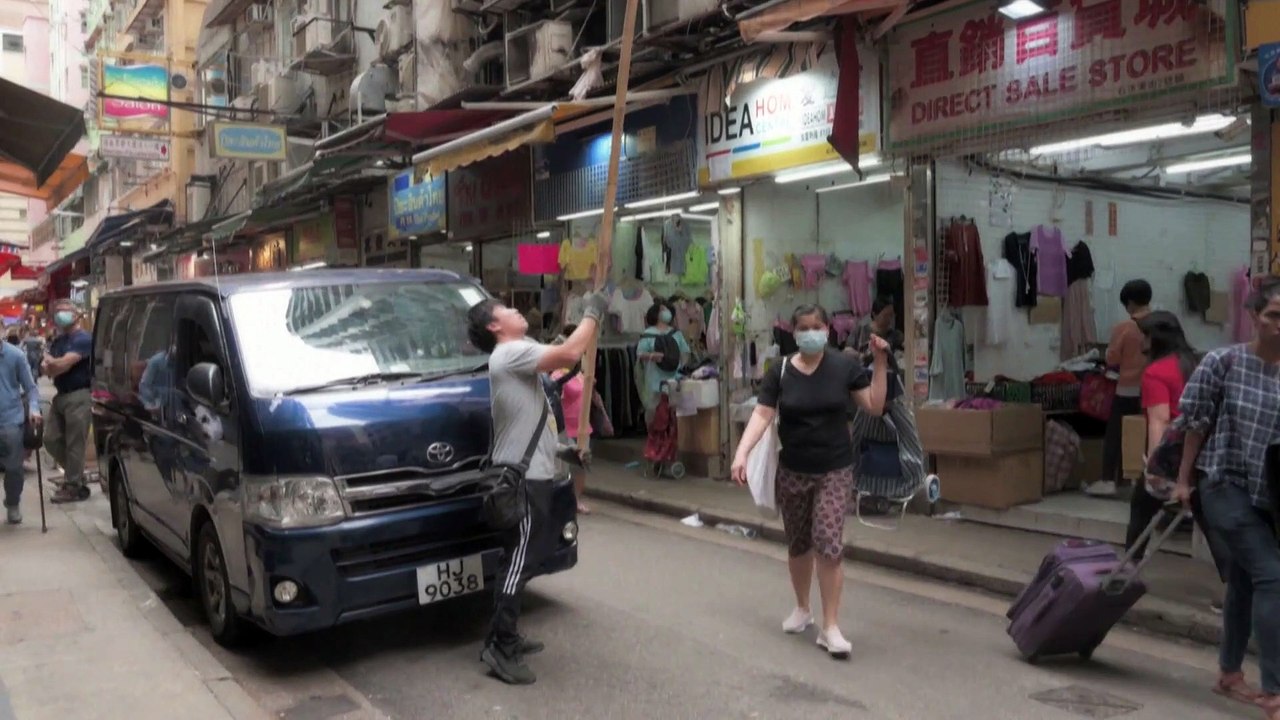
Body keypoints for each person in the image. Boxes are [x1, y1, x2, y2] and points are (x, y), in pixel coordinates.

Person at [730, 304, 889, 659]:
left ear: (828, 329)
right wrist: (741, 453)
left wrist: (880, 363)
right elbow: (762, 414)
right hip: (793, 470)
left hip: (834, 469)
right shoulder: (780, 370)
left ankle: (830, 627)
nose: (810, 333)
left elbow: (875, 405)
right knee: (798, 544)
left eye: (816, 326)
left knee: (828, 542)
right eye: (803, 328)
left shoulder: (844, 366)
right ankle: (803, 608)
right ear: (794, 332)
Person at [465, 290, 608, 686]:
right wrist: (592, 313)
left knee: (520, 558)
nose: (516, 311)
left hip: (530, 476)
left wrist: (563, 451)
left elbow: (530, 424)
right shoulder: (510, 353)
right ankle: (500, 646)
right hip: (523, 482)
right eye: (507, 309)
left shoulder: (517, 358)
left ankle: (504, 635)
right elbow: (570, 353)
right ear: (495, 325)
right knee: (519, 562)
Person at [1174, 278, 1280, 717]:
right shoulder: (1224, 361)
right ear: (1254, 316)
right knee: (1272, 576)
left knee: (1244, 579)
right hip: (1223, 483)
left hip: (1268, 495)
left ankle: (1229, 674)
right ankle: (1275, 691)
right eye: (1274, 315)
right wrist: (1184, 481)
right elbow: (1195, 423)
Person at [1126, 311, 1197, 559]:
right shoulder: (1195, 363)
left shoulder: (1156, 372)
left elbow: (1160, 419)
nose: (1141, 341)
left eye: (1145, 336)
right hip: (1201, 449)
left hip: (1174, 453)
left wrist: (1154, 468)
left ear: (1156, 339)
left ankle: (1130, 563)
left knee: (1141, 507)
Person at [1092, 279, 1152, 497]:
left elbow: (1112, 358)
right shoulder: (1162, 324)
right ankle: (1140, 480)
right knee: (1147, 435)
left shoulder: (1124, 328)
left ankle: (1109, 480)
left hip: (1127, 389)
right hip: (1154, 390)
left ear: (1130, 303)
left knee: (1116, 434)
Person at [42, 300, 93, 504]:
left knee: (75, 443)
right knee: (50, 439)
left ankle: (72, 486)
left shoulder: (84, 339)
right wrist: (54, 365)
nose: (60, 315)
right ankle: (77, 475)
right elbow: (45, 368)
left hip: (79, 395)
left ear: (75, 314)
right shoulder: (59, 341)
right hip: (60, 395)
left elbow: (63, 364)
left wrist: (54, 363)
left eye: (64, 311)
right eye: (57, 312)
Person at [551, 325, 591, 515]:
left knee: (581, 465)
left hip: (583, 426)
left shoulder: (580, 371)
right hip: (565, 426)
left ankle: (576, 499)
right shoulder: (557, 374)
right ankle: (563, 501)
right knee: (564, 467)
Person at [1, 329, 40, 524]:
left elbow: (31, 388)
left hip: (10, 419)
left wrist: (34, 409)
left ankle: (13, 502)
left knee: (14, 468)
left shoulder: (15, 355)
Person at [636, 300, 690, 426]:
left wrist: (681, 366)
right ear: (655, 314)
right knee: (654, 413)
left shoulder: (676, 333)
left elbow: (685, 352)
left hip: (674, 378)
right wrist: (652, 356)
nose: (666, 312)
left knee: (674, 412)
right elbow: (640, 354)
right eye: (662, 309)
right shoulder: (647, 334)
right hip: (654, 380)